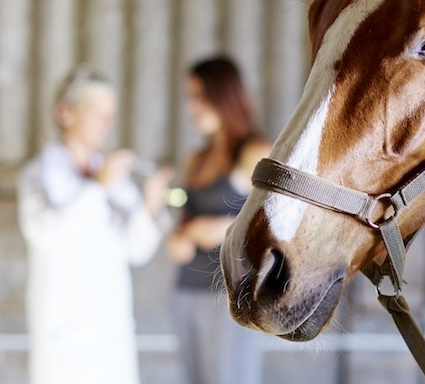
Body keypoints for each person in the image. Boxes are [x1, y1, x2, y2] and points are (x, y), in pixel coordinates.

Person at [17, 68, 172, 384]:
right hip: (63, 335)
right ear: (65, 112)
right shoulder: (38, 174)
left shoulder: (113, 177)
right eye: (96, 113)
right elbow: (45, 234)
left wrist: (150, 206)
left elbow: (135, 250)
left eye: (110, 115)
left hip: (111, 334)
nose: (106, 124)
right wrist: (97, 188)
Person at [167, 56, 270, 384]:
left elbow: (277, 225)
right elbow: (182, 222)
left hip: (231, 295)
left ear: (223, 95)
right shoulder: (194, 159)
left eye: (199, 96)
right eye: (190, 97)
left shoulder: (255, 151)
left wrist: (223, 228)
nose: (192, 107)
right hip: (186, 289)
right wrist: (179, 238)